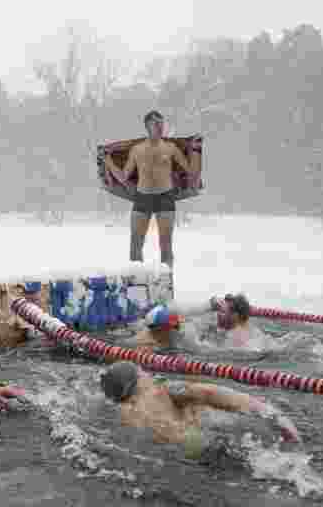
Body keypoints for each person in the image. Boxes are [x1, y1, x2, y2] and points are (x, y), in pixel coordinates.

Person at [99, 360, 301, 448]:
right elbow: (209, 392)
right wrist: (269, 413)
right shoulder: (163, 390)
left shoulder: (124, 412)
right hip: (199, 446)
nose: (149, 375)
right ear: (138, 378)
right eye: (144, 372)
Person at [109, 110, 191, 265]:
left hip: (165, 197)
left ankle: (166, 284)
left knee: (166, 244)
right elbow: (123, 176)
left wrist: (196, 149)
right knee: (135, 245)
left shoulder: (171, 147)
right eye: (156, 123)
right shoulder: (137, 149)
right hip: (142, 197)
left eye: (162, 123)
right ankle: (137, 283)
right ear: (148, 125)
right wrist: (108, 161)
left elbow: (189, 171)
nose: (161, 126)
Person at [133, 294, 256, 351]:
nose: (218, 314)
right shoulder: (224, 329)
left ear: (235, 316)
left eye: (223, 312)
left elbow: (210, 352)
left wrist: (182, 329)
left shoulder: (238, 337)